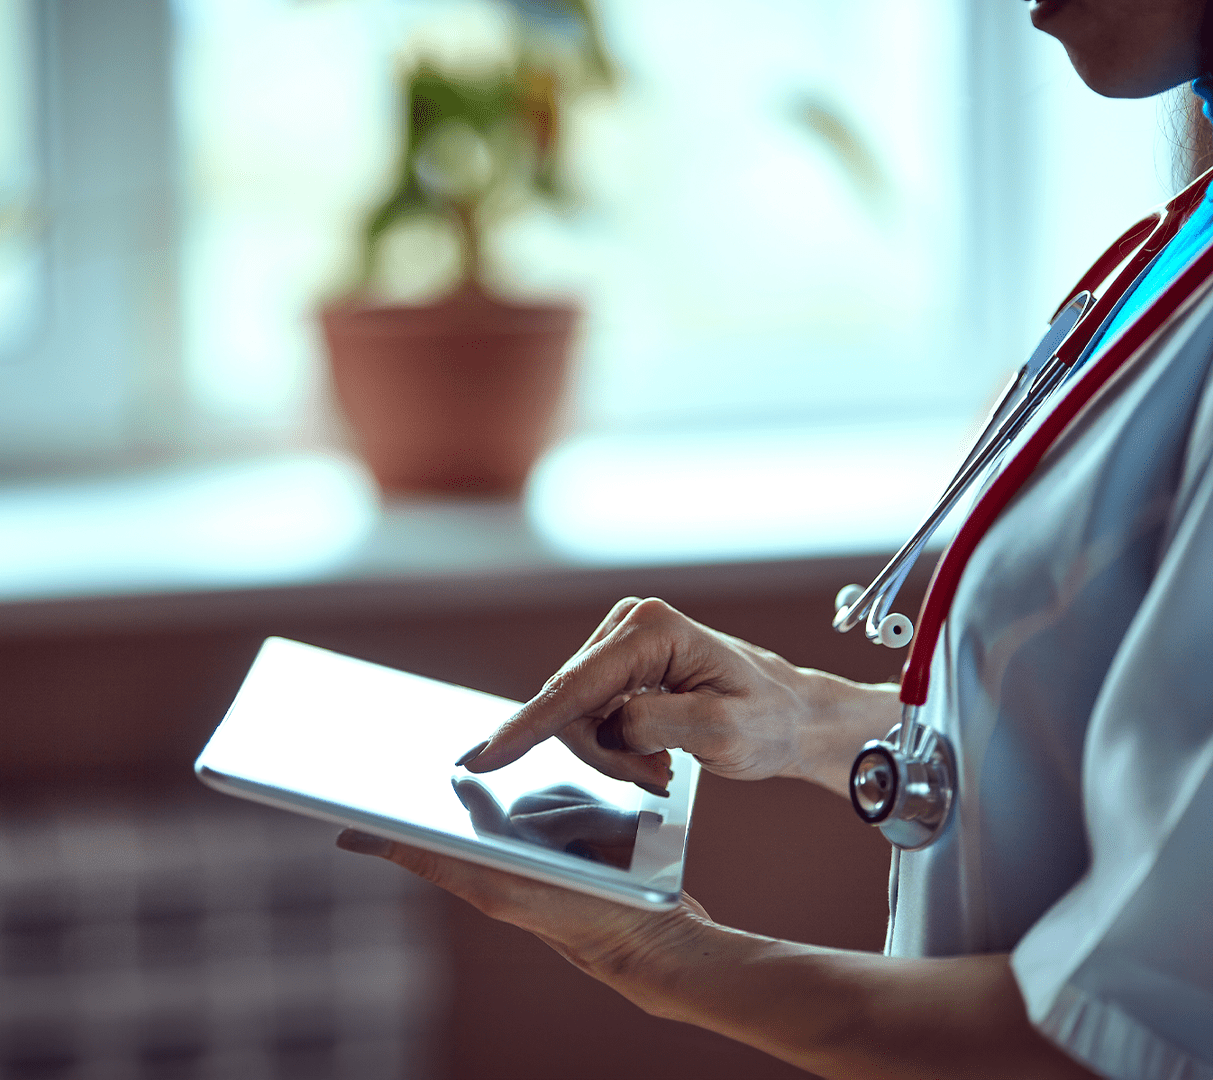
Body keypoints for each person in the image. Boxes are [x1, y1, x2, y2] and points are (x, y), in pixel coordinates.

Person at [334, 3, 1213, 1078]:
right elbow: (1136, 748)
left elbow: (1124, 1041)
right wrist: (807, 719)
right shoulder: (1188, 240)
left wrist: (656, 951)